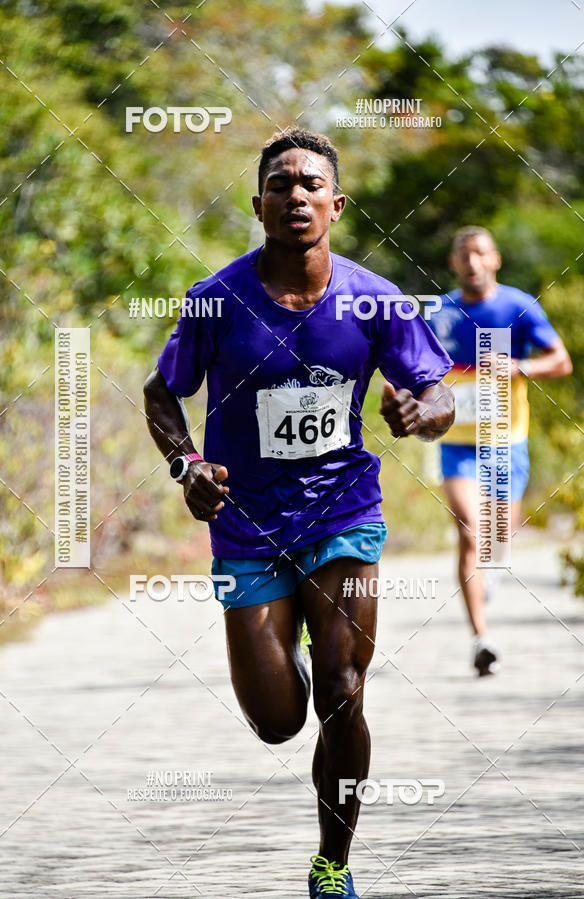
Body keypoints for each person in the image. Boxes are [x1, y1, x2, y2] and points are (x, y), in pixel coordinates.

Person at [143, 128, 454, 898]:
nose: (296, 196)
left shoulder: (374, 299)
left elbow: (440, 393)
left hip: (342, 510)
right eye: (280, 185)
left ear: (336, 204)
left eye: (311, 184)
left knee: (343, 685)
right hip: (246, 525)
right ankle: (295, 672)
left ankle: (333, 863)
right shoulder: (217, 300)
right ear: (258, 204)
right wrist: (187, 465)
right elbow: (161, 393)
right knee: (280, 720)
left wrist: (422, 409)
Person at [428, 226, 572, 676]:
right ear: (453, 263)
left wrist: (519, 365)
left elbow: (561, 361)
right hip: (455, 443)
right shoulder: (441, 311)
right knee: (470, 531)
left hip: (505, 438)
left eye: (480, 254)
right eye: (463, 255)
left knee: (497, 540)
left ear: (495, 260)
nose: (472, 262)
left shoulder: (517, 306)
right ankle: (481, 638)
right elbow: (414, 365)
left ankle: (486, 574)